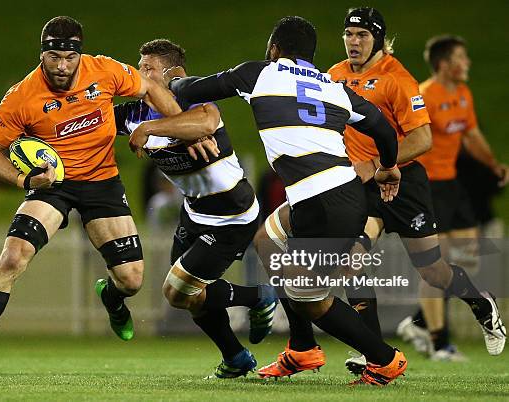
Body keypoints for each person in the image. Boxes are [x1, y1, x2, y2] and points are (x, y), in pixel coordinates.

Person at [132, 17, 409, 386]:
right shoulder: (333, 86)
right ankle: (302, 348)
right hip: (335, 193)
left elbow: (195, 88)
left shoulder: (261, 73)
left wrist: (167, 81)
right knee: (267, 240)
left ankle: (384, 359)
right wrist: (388, 168)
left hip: (322, 204)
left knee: (310, 298)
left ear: (275, 49)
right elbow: (382, 128)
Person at [255, 8, 506, 379]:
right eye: (349, 34)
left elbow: (423, 139)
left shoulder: (396, 78)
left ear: (379, 39)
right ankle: (375, 353)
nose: (354, 42)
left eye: (362, 35)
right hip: (358, 188)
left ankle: (481, 303)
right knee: (352, 257)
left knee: (433, 270)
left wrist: (376, 164)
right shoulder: (333, 75)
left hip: (403, 184)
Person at [0, 16, 183, 376]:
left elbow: (151, 89)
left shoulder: (105, 70)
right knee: (14, 257)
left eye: (69, 58)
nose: (62, 66)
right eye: (54, 57)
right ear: (42, 54)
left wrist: (180, 127)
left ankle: (111, 298)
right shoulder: (22, 96)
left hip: (101, 181)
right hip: (52, 186)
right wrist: (22, 179)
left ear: (80, 54)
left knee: (131, 280)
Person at [115, 39, 278, 378]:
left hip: (233, 215)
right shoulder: (135, 112)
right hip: (194, 213)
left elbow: (207, 121)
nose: (140, 74)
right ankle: (235, 357)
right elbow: (91, 121)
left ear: (171, 72)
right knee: (191, 295)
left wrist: (151, 129)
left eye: (148, 69)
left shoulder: (190, 96)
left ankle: (260, 295)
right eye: (139, 67)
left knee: (176, 291)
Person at [398, 35, 509, 361]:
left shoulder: (462, 93)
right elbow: (409, 138)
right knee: (435, 264)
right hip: (427, 187)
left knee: (468, 255)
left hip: (452, 185)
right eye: (462, 57)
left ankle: (418, 321)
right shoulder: (424, 94)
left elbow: (471, 135)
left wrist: (493, 165)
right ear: (444, 64)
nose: (468, 63)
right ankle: (439, 341)